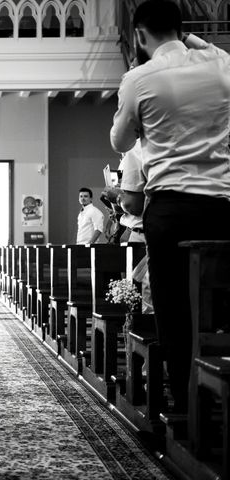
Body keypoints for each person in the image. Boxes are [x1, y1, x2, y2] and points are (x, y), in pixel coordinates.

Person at [110, 0, 230, 413]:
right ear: (181, 28)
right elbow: (211, 50)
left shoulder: (139, 79)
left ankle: (185, 402)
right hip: (221, 203)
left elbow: (120, 142)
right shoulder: (220, 65)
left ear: (139, 35)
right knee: (219, 301)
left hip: (170, 207)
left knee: (174, 308)